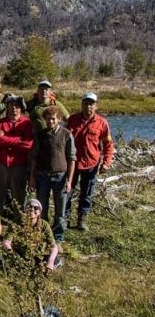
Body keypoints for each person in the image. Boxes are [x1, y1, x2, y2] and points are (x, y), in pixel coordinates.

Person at [65, 93, 115, 231]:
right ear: (82, 105)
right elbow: (63, 140)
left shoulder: (102, 123)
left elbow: (108, 145)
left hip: (91, 163)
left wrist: (106, 162)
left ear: (96, 106)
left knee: (87, 193)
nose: (89, 106)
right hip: (72, 162)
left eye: (91, 104)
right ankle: (65, 218)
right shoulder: (72, 120)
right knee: (67, 190)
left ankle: (82, 219)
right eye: (86, 103)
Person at [30, 106, 76, 245]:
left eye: (53, 119)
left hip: (60, 177)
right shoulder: (40, 135)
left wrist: (69, 180)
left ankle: (58, 239)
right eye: (48, 119)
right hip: (42, 176)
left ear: (59, 119)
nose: (50, 121)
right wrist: (32, 178)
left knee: (60, 211)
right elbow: (34, 157)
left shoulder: (66, 134)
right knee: (41, 210)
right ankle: (43, 236)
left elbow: (72, 158)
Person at [0, 94, 33, 213]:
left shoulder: (27, 123)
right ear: (7, 107)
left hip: (18, 164)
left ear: (21, 108)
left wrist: (6, 139)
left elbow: (28, 145)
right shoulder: (0, 123)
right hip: (0, 163)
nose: (14, 108)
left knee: (18, 195)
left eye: (16, 106)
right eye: (11, 105)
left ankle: (19, 222)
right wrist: (19, 140)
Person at [2, 199, 59, 273]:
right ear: (25, 210)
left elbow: (53, 246)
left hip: (37, 255)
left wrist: (50, 262)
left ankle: (44, 270)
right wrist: (12, 255)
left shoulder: (44, 225)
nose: (32, 209)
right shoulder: (16, 222)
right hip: (19, 255)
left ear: (39, 212)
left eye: (36, 208)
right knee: (1, 257)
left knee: (56, 259)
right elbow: (6, 242)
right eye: (29, 207)